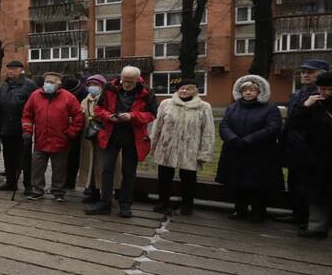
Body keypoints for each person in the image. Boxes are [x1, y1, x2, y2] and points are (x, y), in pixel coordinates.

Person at [85, 66, 158, 218]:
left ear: (137, 79)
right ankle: (105, 203)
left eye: (130, 82)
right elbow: (98, 109)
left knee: (129, 172)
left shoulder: (146, 93)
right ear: (121, 77)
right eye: (124, 80)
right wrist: (109, 116)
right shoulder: (110, 87)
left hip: (133, 137)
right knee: (107, 169)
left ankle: (125, 205)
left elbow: (151, 115)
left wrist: (132, 116)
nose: (126, 84)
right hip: (111, 135)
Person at [215, 75, 283, 223]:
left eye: (252, 90)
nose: (248, 93)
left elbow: (273, 128)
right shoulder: (232, 107)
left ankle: (258, 212)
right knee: (237, 183)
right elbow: (224, 125)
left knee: (258, 185)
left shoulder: (270, 108)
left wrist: (248, 140)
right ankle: (240, 210)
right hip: (235, 151)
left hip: (259, 154)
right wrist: (233, 138)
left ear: (259, 92)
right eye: (245, 90)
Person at [149, 79, 215, 215]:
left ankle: (187, 205)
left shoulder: (204, 107)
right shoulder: (166, 104)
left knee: (189, 178)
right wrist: (153, 144)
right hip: (167, 147)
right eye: (181, 88)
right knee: (164, 177)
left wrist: (204, 152)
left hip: (190, 148)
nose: (184, 91)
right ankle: (163, 203)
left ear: (196, 90)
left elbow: (208, 130)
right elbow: (157, 125)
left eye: (188, 88)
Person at [280, 59, 330, 224]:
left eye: (310, 72)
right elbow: (291, 120)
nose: (305, 75)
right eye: (303, 72)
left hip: (310, 148)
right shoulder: (297, 94)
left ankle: (309, 219)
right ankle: (297, 214)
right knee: (294, 183)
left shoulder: (322, 95)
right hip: (293, 146)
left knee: (309, 186)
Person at [22, 72, 84, 201]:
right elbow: (27, 114)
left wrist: (71, 132)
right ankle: (37, 190)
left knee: (59, 168)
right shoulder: (35, 95)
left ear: (59, 84)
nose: (48, 84)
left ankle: (58, 192)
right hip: (41, 139)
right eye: (46, 81)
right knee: (37, 167)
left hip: (61, 139)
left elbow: (78, 116)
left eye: (51, 82)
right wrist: (27, 130)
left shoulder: (68, 97)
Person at [297, 71, 332, 238]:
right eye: (322, 88)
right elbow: (295, 124)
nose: (325, 93)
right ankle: (317, 227)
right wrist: (305, 106)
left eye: (329, 89)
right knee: (317, 193)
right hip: (317, 156)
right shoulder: (314, 103)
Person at [75, 74, 119, 205]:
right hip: (88, 139)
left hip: (104, 137)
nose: (92, 88)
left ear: (102, 87)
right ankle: (92, 192)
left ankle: (105, 194)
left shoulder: (107, 100)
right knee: (90, 165)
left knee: (103, 165)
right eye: (90, 85)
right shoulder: (85, 101)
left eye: (96, 85)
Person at [0, 60, 38, 194]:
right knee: (8, 157)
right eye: (9, 69)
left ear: (21, 70)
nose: (10, 71)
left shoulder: (29, 85)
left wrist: (29, 126)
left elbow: (34, 107)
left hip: (22, 128)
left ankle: (28, 185)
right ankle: (10, 182)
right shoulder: (4, 86)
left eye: (14, 69)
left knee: (24, 159)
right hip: (6, 128)